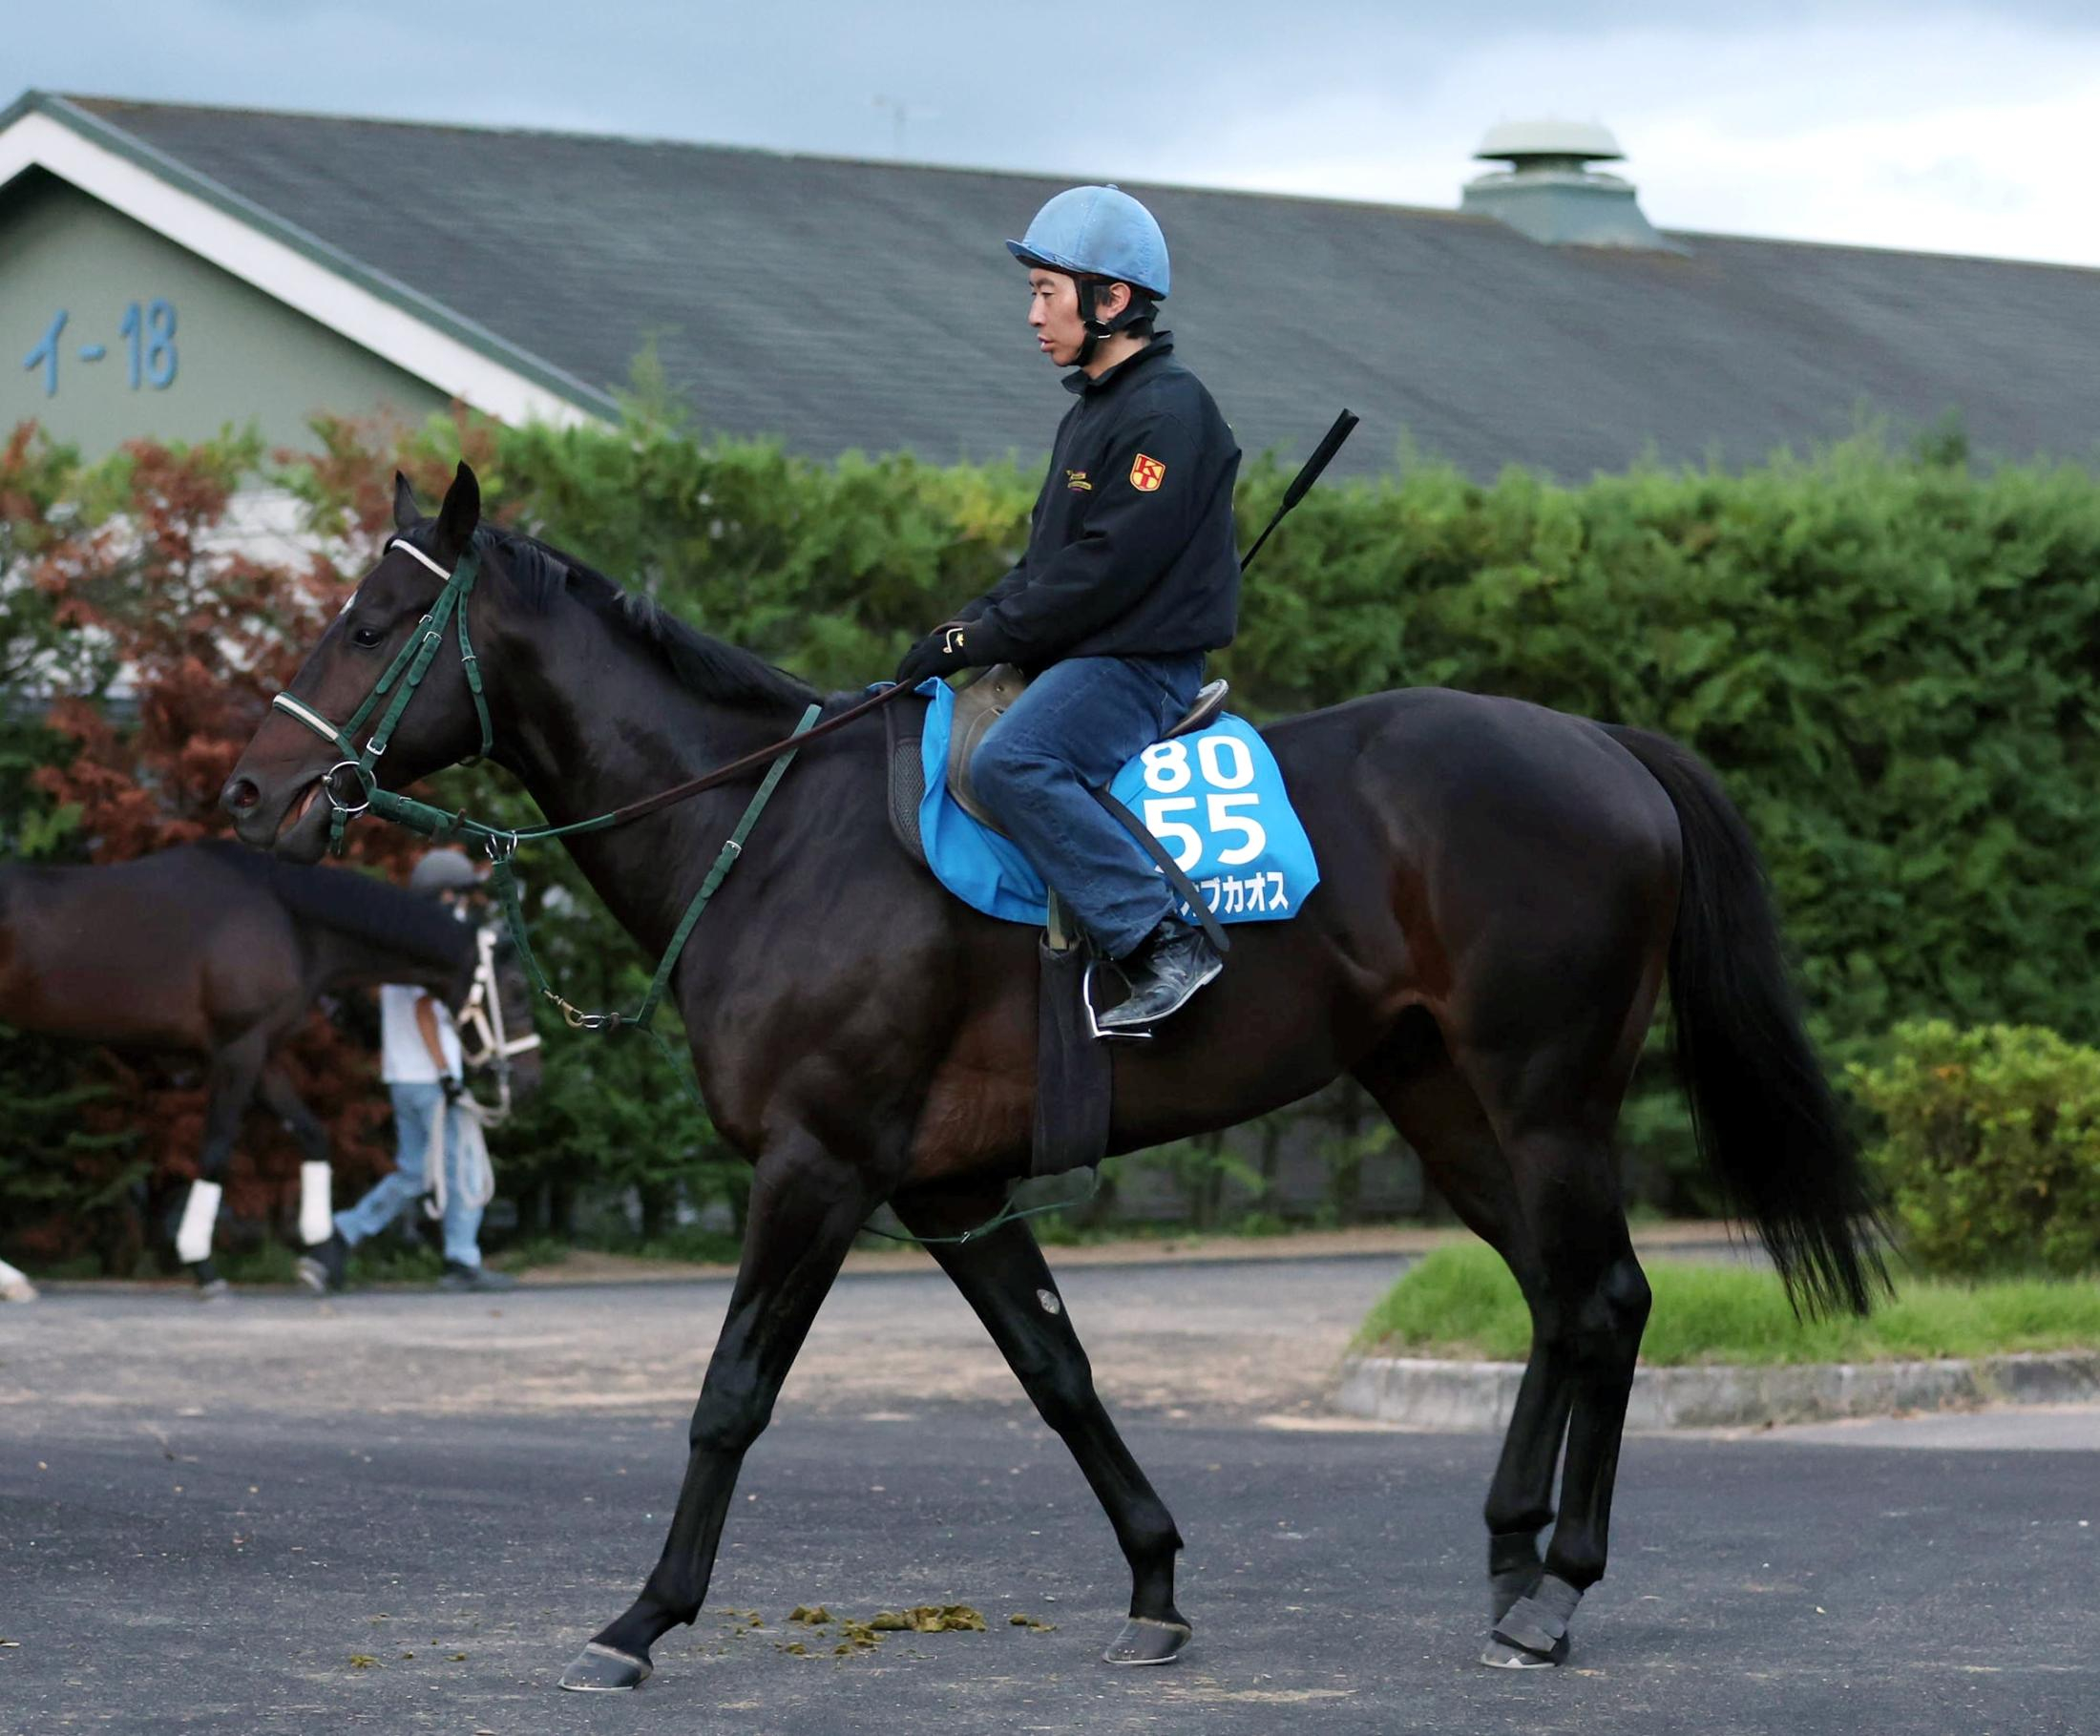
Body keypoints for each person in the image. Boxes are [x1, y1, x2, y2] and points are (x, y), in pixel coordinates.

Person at [894, 184, 1243, 1030]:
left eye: (1046, 292)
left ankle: (1160, 941)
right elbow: (1043, 568)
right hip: (1085, 655)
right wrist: (959, 631)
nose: (1033, 314)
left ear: (1111, 300)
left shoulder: (1168, 412)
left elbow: (1103, 574)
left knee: (1011, 761)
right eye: (1034, 292)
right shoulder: (1095, 409)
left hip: (1138, 668)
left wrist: (981, 638)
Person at [297, 848, 513, 1294]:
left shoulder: (399, 939)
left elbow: (382, 997)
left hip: (402, 1075)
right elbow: (423, 1009)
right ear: (448, 895)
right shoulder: (436, 941)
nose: (468, 905)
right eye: (464, 896)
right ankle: (462, 1260)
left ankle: (342, 1234)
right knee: (465, 1169)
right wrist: (447, 1073)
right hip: (432, 1077)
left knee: (414, 1172)